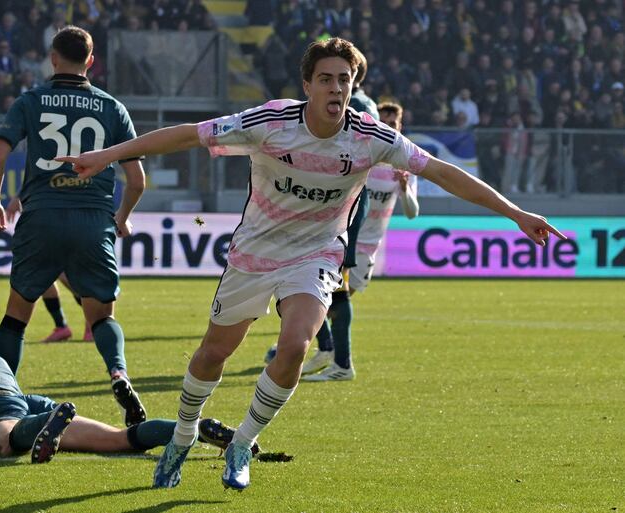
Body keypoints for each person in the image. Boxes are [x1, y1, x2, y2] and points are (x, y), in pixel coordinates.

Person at [58, 37, 563, 491]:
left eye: (345, 79)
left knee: (296, 345)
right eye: (326, 78)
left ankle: (241, 443)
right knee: (214, 354)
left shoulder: (371, 137)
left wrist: (515, 213)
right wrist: (107, 156)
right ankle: (183, 435)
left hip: (316, 253)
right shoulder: (270, 122)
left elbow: (443, 172)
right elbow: (189, 134)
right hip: (254, 253)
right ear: (307, 85)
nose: (336, 87)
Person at [0, 26, 147, 427]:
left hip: (41, 217)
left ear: (53, 58)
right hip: (93, 220)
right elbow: (138, 179)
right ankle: (119, 373)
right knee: (103, 316)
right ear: (91, 61)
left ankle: (5, 397)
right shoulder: (112, 107)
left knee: (17, 313)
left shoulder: (31, 101)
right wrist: (120, 218)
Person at [0, 300, 255, 462]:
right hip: (22, 400)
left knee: (3, 443)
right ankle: (195, 427)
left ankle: (44, 425)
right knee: (120, 440)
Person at [303, 102, 418, 381]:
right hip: (340, 239)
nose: (388, 127)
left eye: (393, 124)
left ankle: (331, 352)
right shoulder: (364, 155)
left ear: (399, 126)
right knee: (322, 297)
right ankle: (329, 351)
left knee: (330, 301)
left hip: (366, 247)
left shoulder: (402, 162)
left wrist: (404, 190)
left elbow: (413, 213)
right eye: (384, 122)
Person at [5, 196, 92, 343]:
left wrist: (18, 197)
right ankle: (62, 326)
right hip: (42, 225)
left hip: (62, 223)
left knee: (65, 275)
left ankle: (94, 321)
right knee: (43, 276)